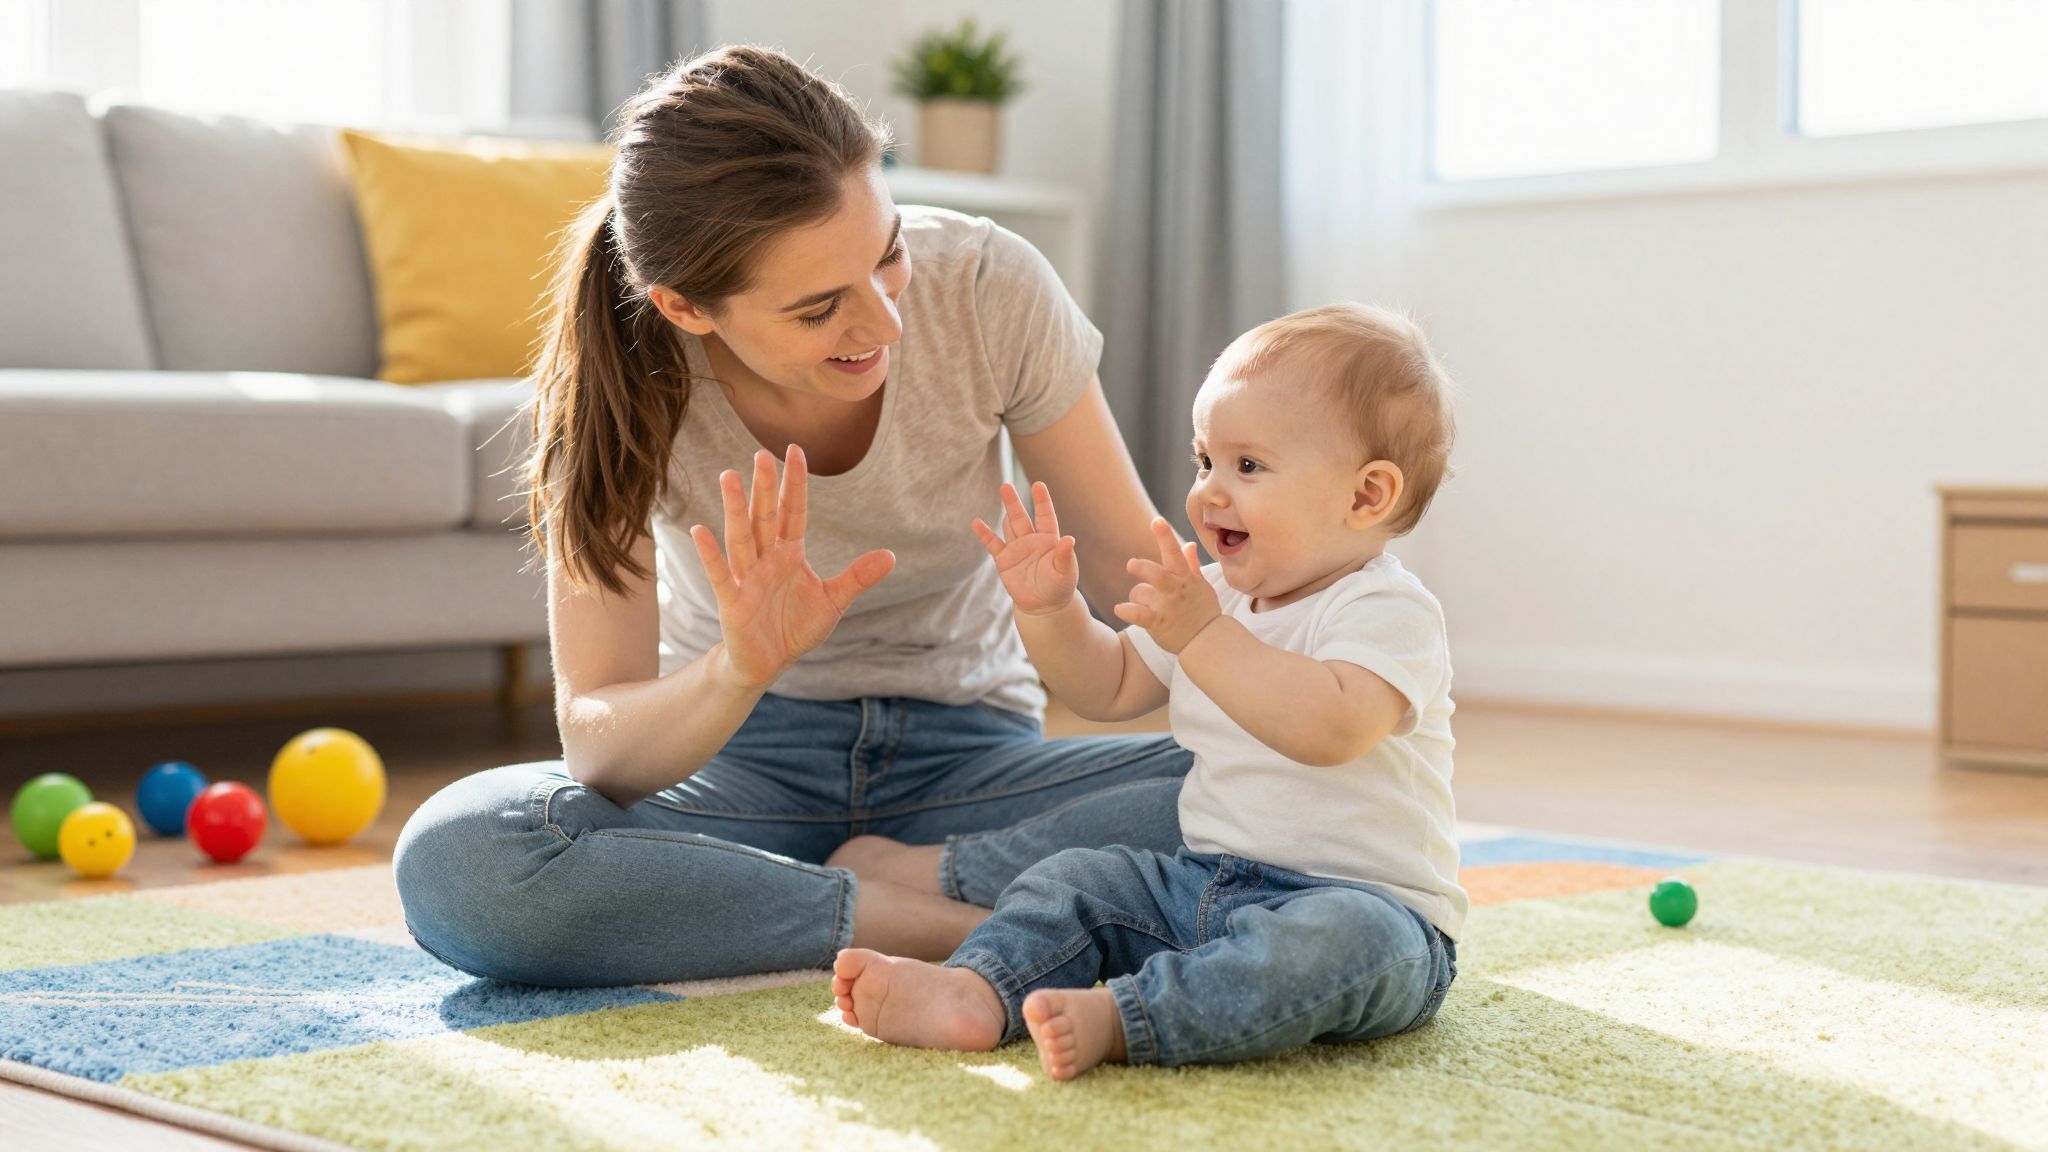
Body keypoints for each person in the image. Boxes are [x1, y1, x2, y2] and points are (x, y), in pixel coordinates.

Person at [391, 45, 1191, 987]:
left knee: (1306, 782)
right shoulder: (616, 384)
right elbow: (600, 745)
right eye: (819, 311)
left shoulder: (988, 286)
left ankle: (883, 887)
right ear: (687, 308)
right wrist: (738, 667)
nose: (886, 324)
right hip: (737, 766)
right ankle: (937, 924)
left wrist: (1308, 676)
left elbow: (1143, 582)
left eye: (889, 255)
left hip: (970, 769)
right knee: (464, 859)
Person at [830, 303, 1464, 1078]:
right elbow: (1107, 684)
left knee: (1334, 945)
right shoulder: (1213, 598)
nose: (1209, 493)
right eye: (1204, 461)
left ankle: (1130, 1018)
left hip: (1370, 913)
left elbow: (1328, 728)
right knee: (1076, 880)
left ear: (1366, 497)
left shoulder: (1388, 610)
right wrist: (1051, 610)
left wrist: (1202, 634)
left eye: (1248, 466)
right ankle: (978, 991)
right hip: (1204, 886)